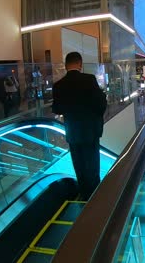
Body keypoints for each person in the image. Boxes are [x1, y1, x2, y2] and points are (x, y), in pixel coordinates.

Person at [52, 52, 107, 200]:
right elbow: (101, 104)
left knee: (79, 167)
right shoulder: (89, 80)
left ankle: (83, 196)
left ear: (65, 65)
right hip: (91, 131)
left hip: (73, 132)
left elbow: (56, 109)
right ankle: (95, 198)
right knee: (93, 167)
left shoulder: (58, 85)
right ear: (80, 64)